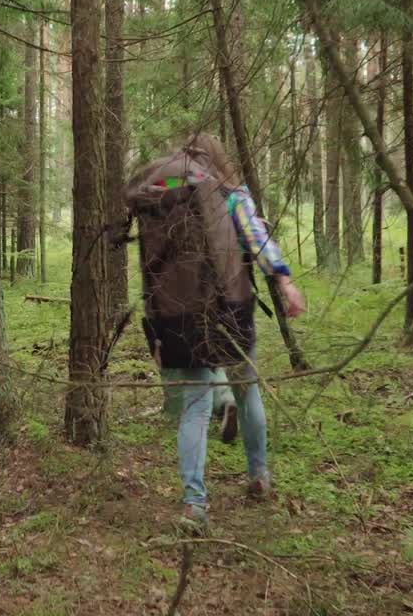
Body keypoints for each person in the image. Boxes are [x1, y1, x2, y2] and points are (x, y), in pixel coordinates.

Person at [150, 133, 305, 534]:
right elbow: (256, 240)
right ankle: (258, 476)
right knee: (246, 389)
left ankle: (194, 504)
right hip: (230, 308)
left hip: (179, 314)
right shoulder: (232, 194)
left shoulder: (167, 195)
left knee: (195, 406)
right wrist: (284, 280)